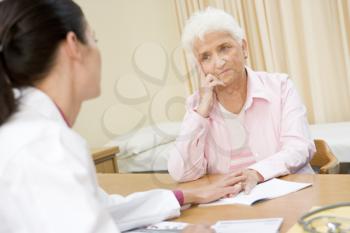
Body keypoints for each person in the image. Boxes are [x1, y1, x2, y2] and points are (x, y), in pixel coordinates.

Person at [0, 1, 243, 232]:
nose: (218, 62)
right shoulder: (45, 145)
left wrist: (186, 195)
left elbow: (101, 209)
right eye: (94, 39)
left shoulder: (29, 131)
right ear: (73, 46)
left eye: (225, 48)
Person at [168, 7, 315, 193]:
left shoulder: (280, 87)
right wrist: (201, 113)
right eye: (206, 57)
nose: (219, 62)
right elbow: (181, 173)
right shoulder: (197, 104)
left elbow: (299, 147)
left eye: (224, 48)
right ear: (200, 67)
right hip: (229, 205)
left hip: (289, 196)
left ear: (243, 47)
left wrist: (256, 172)